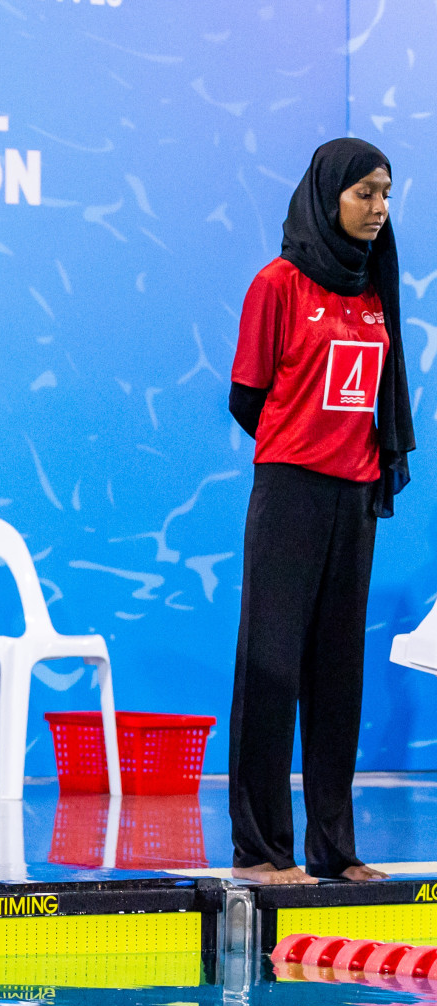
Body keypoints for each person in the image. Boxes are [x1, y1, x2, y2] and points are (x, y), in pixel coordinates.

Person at [228, 138, 414, 885]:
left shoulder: (377, 291)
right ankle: (259, 850)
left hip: (355, 497)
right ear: (327, 194)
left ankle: (334, 850)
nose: (378, 209)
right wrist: (301, 443)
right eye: (365, 192)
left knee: (338, 677)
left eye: (386, 194)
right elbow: (248, 397)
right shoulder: (277, 284)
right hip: (289, 492)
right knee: (270, 671)